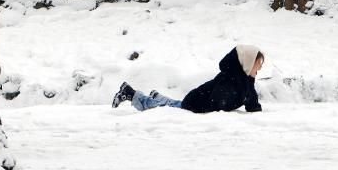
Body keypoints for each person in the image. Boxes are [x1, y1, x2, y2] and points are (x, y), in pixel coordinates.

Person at [112, 45, 264, 113]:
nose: (260, 68)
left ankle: (159, 97)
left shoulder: (243, 80)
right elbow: (217, 104)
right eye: (258, 64)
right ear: (248, 62)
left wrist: (250, 82)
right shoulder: (229, 80)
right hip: (195, 105)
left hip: (197, 102)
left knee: (175, 105)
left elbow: (251, 105)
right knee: (163, 110)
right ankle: (131, 94)